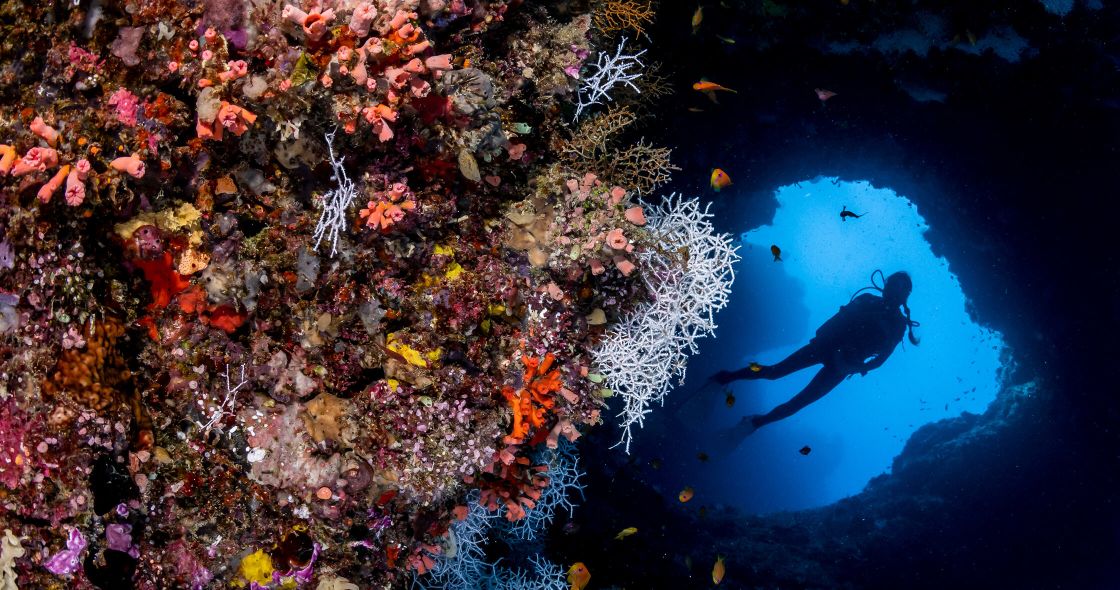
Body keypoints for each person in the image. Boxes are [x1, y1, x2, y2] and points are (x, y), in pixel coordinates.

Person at [714, 270, 920, 442]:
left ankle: (756, 422)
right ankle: (728, 377)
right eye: (891, 283)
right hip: (824, 347)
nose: (893, 289)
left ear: (907, 294)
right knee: (774, 372)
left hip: (843, 366)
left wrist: (855, 367)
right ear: (885, 285)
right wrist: (830, 344)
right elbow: (836, 321)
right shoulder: (866, 299)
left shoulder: (899, 323)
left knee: (799, 403)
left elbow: (881, 359)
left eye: (899, 286)